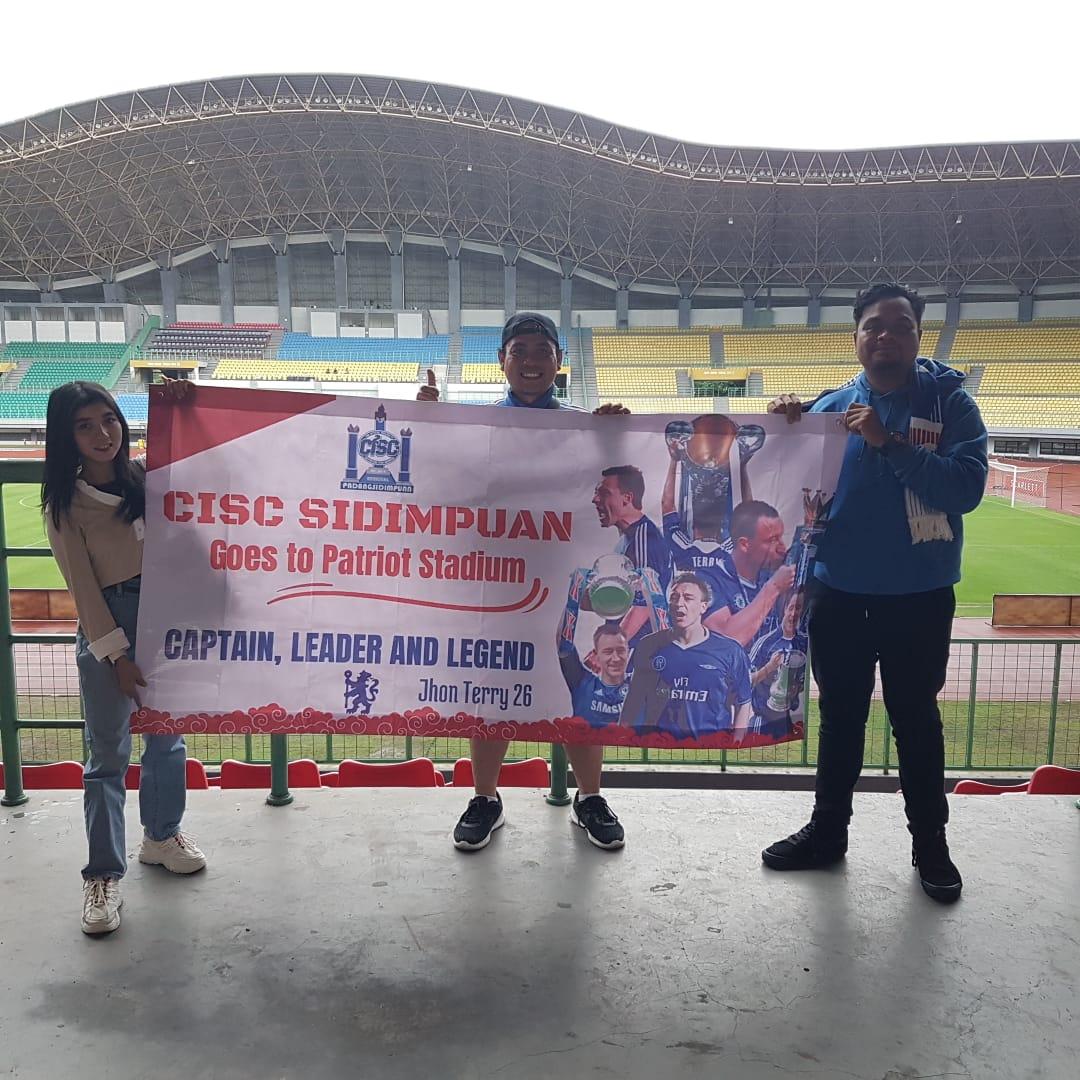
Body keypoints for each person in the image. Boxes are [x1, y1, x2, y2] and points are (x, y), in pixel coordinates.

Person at [761, 283, 988, 903]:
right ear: (855, 337)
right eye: (873, 326)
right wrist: (786, 418)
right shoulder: (832, 408)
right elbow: (777, 470)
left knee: (916, 721)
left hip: (919, 595)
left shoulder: (950, 406)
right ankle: (828, 834)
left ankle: (930, 847)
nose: (885, 335)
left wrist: (887, 443)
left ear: (920, 334)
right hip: (838, 595)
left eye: (900, 324)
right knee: (840, 719)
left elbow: (965, 491)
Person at [417, 311, 630, 852]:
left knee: (576, 688)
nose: (532, 361)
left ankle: (590, 798)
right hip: (498, 585)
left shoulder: (588, 426)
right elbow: (439, 479)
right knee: (493, 690)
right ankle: (485, 798)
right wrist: (426, 423)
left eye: (542, 350)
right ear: (502, 361)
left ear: (560, 362)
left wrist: (620, 432)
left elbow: (619, 486)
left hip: (565, 588)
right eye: (520, 351)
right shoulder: (480, 427)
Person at [43, 381, 206, 936]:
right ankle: (103, 875)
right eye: (84, 426)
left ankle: (161, 835)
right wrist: (115, 656)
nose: (101, 434)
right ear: (66, 437)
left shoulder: (148, 478)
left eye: (108, 419)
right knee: (107, 754)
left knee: (166, 736)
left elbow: (207, 460)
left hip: (165, 617)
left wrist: (185, 402)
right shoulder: (65, 503)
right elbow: (83, 589)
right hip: (109, 623)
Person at [621, 574, 752, 740]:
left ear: (703, 607)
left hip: (708, 753)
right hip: (660, 751)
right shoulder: (649, 646)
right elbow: (633, 701)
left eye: (688, 598)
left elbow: (743, 701)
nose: (679, 603)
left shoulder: (730, 651)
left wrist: (737, 743)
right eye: (674, 597)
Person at [590, 465, 672, 651]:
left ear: (627, 498)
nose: (595, 500)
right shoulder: (628, 539)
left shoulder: (644, 538)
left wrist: (609, 649)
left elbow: (643, 603)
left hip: (642, 656)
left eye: (604, 493)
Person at [558, 619, 631, 732]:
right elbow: (563, 645)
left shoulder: (638, 685)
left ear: (628, 652)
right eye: (608, 652)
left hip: (625, 748)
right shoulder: (582, 682)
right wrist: (574, 601)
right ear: (596, 655)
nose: (616, 658)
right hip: (586, 748)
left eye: (621, 651)